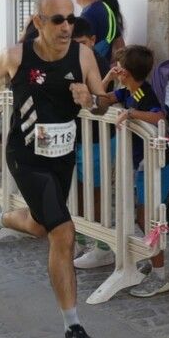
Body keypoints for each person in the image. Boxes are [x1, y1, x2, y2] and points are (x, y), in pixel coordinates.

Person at [0, 0, 110, 338]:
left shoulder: (83, 56)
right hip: (26, 157)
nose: (66, 27)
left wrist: (91, 100)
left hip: (62, 157)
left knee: (40, 226)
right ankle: (73, 329)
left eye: (71, 19)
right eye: (58, 20)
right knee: (63, 233)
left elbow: (102, 102)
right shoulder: (16, 56)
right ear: (39, 22)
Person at [95, 45, 169, 297]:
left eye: (117, 67)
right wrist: (107, 78)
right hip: (143, 164)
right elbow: (101, 99)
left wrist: (130, 113)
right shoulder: (129, 91)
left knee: (148, 217)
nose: (114, 69)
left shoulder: (144, 93)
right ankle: (152, 262)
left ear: (126, 72)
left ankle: (160, 276)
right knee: (142, 216)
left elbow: (159, 117)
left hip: (157, 164)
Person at [71, 16, 117, 268]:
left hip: (98, 139)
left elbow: (102, 100)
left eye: (81, 43)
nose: (76, 48)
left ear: (92, 40)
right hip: (78, 137)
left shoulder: (95, 61)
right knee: (78, 191)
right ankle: (79, 238)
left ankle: (103, 247)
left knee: (96, 193)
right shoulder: (70, 58)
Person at [71, 0, 119, 66]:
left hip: (92, 70)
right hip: (103, 68)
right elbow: (118, 42)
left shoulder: (88, 15)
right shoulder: (106, 9)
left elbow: (80, 51)